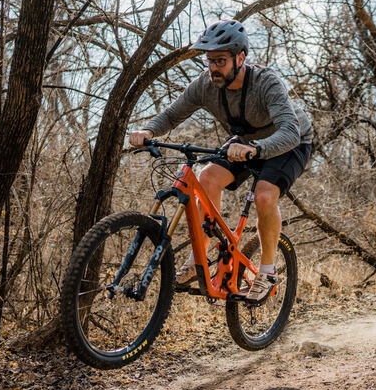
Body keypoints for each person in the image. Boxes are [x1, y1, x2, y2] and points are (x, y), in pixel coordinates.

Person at [129, 19, 313, 302]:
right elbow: (172, 114)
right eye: (209, 60)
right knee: (206, 179)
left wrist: (256, 149)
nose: (213, 67)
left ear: (241, 57)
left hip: (290, 141)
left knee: (264, 196)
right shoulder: (205, 84)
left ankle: (267, 271)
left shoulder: (266, 82)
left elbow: (289, 131)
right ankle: (199, 259)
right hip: (247, 142)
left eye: (220, 61)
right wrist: (149, 130)